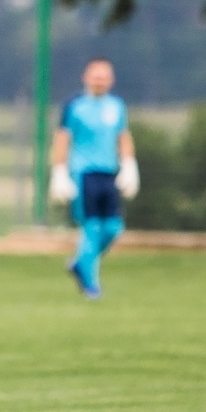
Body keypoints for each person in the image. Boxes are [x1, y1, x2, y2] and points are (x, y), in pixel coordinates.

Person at [48, 57, 139, 299]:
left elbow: (123, 136)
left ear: (111, 80)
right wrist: (59, 171)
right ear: (86, 78)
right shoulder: (74, 106)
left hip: (108, 172)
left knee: (113, 228)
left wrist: (129, 164)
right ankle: (90, 284)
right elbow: (62, 139)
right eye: (95, 75)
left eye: (104, 76)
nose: (99, 80)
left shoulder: (116, 106)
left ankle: (80, 262)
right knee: (91, 228)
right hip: (83, 173)